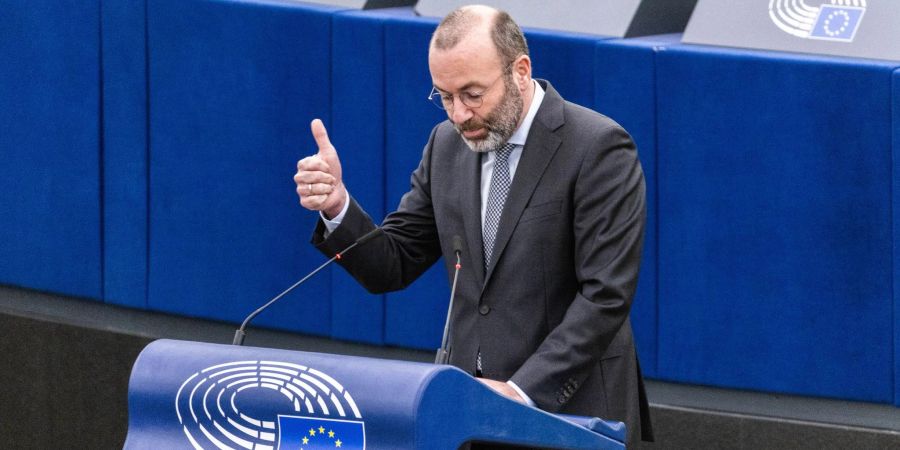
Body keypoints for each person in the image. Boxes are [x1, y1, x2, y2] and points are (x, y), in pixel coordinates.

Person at [294, 4, 653, 445]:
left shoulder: (597, 147)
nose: (458, 114)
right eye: (444, 96)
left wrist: (520, 391)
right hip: (472, 418)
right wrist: (336, 207)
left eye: (472, 94)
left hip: (573, 416)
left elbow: (605, 298)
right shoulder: (446, 145)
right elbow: (393, 264)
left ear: (520, 71)